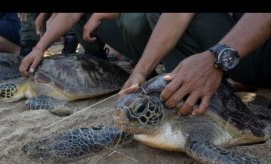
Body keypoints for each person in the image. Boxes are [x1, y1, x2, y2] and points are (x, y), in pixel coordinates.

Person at [114, 13, 271, 116]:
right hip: (246, 50)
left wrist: (216, 58)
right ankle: (185, 104)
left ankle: (204, 109)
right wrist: (140, 72)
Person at [19, 13, 130, 76]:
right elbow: (70, 15)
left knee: (134, 21)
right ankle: (96, 58)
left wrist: (98, 16)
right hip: (126, 39)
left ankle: (143, 69)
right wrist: (39, 49)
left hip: (141, 36)